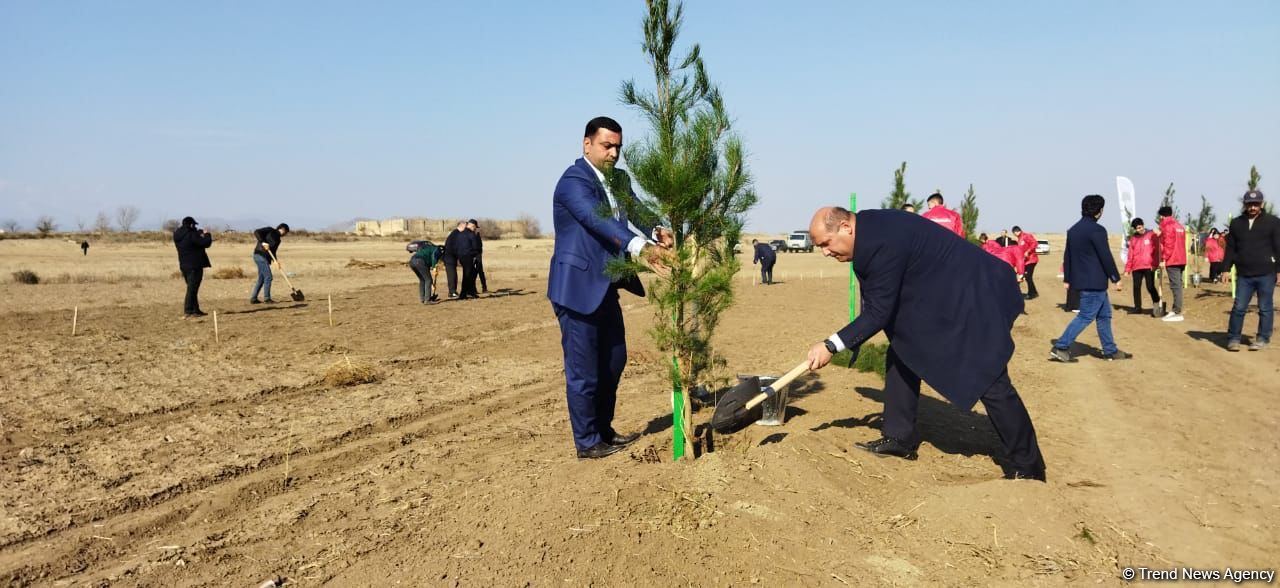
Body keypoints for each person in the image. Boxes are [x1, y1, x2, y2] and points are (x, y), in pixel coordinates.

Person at [803, 206, 1045, 480]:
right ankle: (899, 437)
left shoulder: (881, 240)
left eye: (826, 243)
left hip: (973, 298)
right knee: (903, 351)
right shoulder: (869, 231)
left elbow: (879, 312)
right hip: (943, 296)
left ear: (846, 228)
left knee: (990, 379)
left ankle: (1029, 468)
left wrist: (830, 345)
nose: (825, 252)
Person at [548, 116, 673, 460]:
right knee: (584, 371)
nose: (614, 153)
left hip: (606, 286)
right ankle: (588, 442)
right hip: (577, 289)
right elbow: (597, 220)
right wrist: (641, 248)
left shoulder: (619, 179)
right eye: (607, 146)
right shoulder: (573, 181)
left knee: (614, 361)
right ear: (587, 144)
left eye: (618, 146)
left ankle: (603, 430)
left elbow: (635, 209)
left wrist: (657, 229)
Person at [1050, 195, 1129, 362]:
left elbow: (1067, 256)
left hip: (1084, 280)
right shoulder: (1097, 230)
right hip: (1095, 281)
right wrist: (1115, 278)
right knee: (1085, 316)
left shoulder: (1073, 230)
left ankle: (1110, 350)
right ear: (1099, 211)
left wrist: (1068, 278)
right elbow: (1105, 256)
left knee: (1104, 316)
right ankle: (1061, 346)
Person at [1222, 189, 1280, 351]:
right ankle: (1234, 338)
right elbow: (1231, 248)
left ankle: (1263, 338)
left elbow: (1278, 247)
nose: (1253, 207)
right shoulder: (1236, 223)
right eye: (1249, 204)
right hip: (1244, 275)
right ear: (1245, 204)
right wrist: (1225, 269)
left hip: (1266, 273)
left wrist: (1279, 270)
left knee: (1265, 307)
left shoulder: (1273, 222)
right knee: (1239, 307)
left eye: (1256, 204)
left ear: (1261, 204)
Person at [173, 217, 212, 318]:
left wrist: (199, 234)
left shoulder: (177, 235)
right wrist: (207, 234)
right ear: (191, 225)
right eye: (194, 225)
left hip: (184, 265)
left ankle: (195, 310)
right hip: (195, 265)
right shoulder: (191, 235)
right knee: (192, 289)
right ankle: (189, 310)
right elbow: (205, 243)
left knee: (192, 288)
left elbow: (193, 242)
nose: (195, 227)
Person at [1154, 205, 1187, 322]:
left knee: (1175, 286)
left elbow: (1169, 245)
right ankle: (1176, 309)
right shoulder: (1179, 226)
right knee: (1178, 285)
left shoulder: (1167, 226)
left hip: (1172, 260)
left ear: (1162, 216)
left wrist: (1164, 259)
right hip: (1181, 259)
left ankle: (1176, 311)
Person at [1122, 218, 1162, 315]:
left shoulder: (1151, 235)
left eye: (1139, 227)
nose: (1138, 230)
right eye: (1136, 228)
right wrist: (1127, 269)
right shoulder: (1133, 239)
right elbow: (1130, 255)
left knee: (1150, 286)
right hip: (1136, 267)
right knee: (1136, 287)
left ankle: (1156, 304)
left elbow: (1157, 250)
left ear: (1143, 225)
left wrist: (1155, 264)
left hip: (1149, 266)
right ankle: (1137, 307)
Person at [249, 223, 289, 304]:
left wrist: (275, 261)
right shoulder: (270, 230)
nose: (285, 234)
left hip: (266, 259)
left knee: (261, 278)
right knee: (268, 277)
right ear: (283, 229)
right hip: (259, 255)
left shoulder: (278, 240)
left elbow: (273, 252)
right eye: (286, 232)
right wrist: (263, 242)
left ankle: (253, 298)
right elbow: (257, 232)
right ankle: (267, 298)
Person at [1012, 226, 1040, 299]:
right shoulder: (1019, 239)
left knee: (1028, 276)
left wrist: (1028, 251)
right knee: (1028, 277)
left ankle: (1031, 294)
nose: (1014, 235)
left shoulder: (1026, 236)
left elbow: (1035, 243)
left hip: (1032, 259)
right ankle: (1034, 292)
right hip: (1026, 261)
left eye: (1014, 233)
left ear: (1016, 231)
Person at [457, 220, 481, 299]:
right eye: (475, 227)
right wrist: (475, 254)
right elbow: (475, 247)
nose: (475, 229)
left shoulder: (460, 234)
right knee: (467, 275)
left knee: (472, 273)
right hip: (468, 257)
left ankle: (470, 291)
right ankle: (463, 294)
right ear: (472, 226)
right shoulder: (471, 234)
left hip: (461, 257)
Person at [442, 221, 466, 299]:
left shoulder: (456, 233)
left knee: (454, 275)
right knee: (452, 276)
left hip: (451, 257)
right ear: (461, 226)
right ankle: (452, 292)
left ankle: (453, 291)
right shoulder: (456, 234)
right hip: (449, 258)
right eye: (465, 227)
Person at [468, 219, 488, 294]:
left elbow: (480, 245)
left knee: (480, 271)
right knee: (472, 272)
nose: (475, 228)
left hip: (478, 254)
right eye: (475, 227)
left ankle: (484, 287)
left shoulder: (476, 234)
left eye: (476, 227)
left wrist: (478, 255)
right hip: (471, 255)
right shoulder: (467, 234)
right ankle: (473, 289)